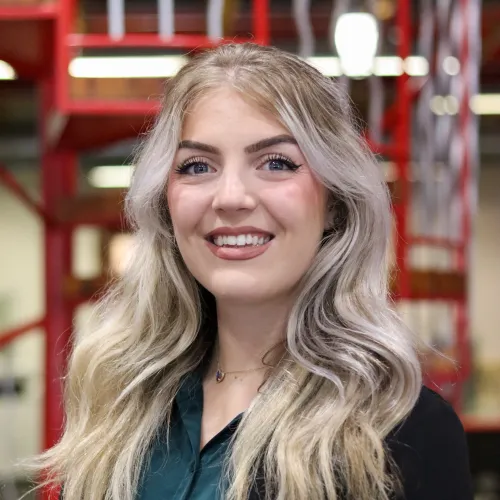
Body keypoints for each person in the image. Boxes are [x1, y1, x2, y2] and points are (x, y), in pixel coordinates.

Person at [30, 43, 472, 500]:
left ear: (336, 205)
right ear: (165, 204)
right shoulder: (120, 404)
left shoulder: (402, 433)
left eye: (276, 163)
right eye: (197, 166)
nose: (231, 197)